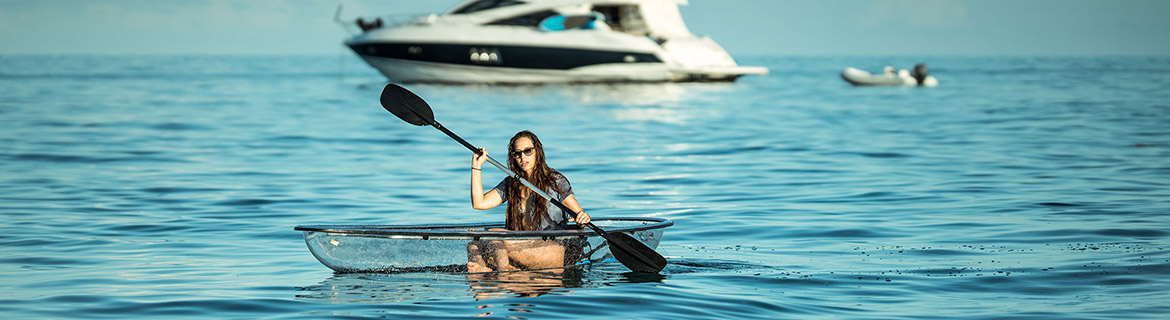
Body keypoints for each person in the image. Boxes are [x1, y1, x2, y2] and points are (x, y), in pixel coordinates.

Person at [466, 130, 591, 272]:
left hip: (552, 249)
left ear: (537, 151)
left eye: (527, 151)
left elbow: (580, 213)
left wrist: (582, 216)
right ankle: (489, 273)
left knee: (494, 234)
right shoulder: (511, 183)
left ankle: (503, 274)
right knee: (473, 245)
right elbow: (479, 203)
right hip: (522, 248)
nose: (522, 157)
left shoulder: (555, 181)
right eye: (517, 153)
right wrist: (476, 166)